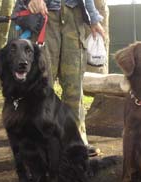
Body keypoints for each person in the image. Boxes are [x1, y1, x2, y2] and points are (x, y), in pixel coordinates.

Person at [17, 0, 105, 155]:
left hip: (74, 17)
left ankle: (75, 142)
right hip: (43, 15)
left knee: (74, 87)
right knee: (41, 88)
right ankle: (39, 146)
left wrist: (93, 17)